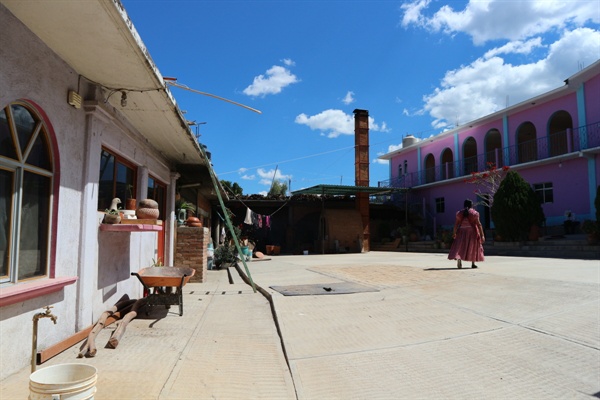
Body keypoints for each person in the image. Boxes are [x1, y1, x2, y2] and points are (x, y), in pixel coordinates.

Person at [448, 199, 485, 268]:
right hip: (472, 232)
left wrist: (454, 233)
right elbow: (479, 224)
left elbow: (456, 224)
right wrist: (482, 235)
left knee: (460, 247)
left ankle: (459, 260)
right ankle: (473, 263)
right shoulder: (475, 213)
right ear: (471, 205)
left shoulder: (459, 213)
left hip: (461, 232)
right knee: (473, 247)